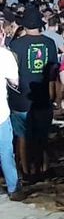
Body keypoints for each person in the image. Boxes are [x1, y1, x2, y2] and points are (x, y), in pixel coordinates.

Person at [6, 6, 60, 182]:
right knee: (42, 136)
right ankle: (42, 167)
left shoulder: (15, 45)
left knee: (22, 136)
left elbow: (11, 72)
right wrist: (54, 95)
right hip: (43, 96)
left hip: (20, 97)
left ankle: (25, 169)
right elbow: (53, 72)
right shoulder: (49, 43)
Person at [0, 27, 23, 199]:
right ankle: (13, 188)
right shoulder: (5, 55)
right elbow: (15, 82)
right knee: (6, 152)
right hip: (0, 113)